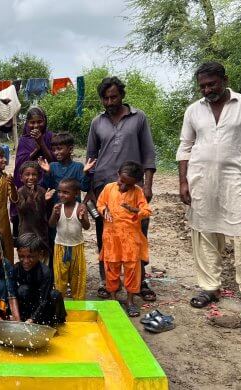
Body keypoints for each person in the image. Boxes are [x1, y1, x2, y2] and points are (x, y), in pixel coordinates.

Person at [177, 61, 241, 319]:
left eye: (212, 84)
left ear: (225, 80)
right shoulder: (193, 110)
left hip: (235, 179)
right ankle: (209, 288)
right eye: (202, 86)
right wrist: (183, 182)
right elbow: (185, 146)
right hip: (200, 179)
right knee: (205, 233)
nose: (207, 90)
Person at [86, 76, 157, 301]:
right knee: (106, 236)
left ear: (122, 95)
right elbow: (90, 158)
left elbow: (148, 153)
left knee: (136, 234)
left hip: (133, 187)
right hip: (104, 187)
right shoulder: (97, 123)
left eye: (113, 97)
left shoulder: (138, 118)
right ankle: (108, 282)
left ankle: (139, 282)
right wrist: (90, 189)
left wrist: (147, 185)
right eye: (105, 98)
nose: (109, 102)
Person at [96, 161, 152, 317]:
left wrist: (135, 210)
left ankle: (130, 301)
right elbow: (100, 204)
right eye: (121, 181)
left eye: (128, 184)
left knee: (132, 269)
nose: (123, 186)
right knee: (111, 268)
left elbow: (147, 211)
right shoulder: (108, 188)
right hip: (111, 238)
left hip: (130, 239)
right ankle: (113, 299)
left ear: (135, 183)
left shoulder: (138, 192)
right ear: (118, 175)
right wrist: (104, 210)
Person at [11, 107, 55, 236]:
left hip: (45, 186)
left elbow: (53, 162)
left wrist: (41, 142)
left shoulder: (51, 137)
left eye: (39, 121)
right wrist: (36, 149)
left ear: (45, 121)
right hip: (27, 186)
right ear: (27, 123)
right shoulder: (24, 140)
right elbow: (20, 165)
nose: (36, 126)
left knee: (44, 221)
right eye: (32, 122)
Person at [11, 233, 67, 325]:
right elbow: (12, 295)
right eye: (21, 256)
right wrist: (14, 315)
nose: (25, 261)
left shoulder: (45, 272)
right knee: (22, 290)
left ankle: (55, 322)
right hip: (27, 306)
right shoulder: (16, 269)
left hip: (43, 308)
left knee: (55, 295)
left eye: (30, 257)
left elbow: (44, 300)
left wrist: (33, 319)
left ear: (40, 255)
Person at [49, 178, 91, 300]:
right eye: (59, 191)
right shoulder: (58, 207)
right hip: (60, 246)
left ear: (76, 194)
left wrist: (82, 218)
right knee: (60, 277)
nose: (61, 195)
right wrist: (54, 214)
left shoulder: (80, 207)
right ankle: (59, 302)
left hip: (76, 247)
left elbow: (87, 227)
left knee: (77, 277)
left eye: (66, 192)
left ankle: (78, 301)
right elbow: (51, 224)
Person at [38, 132, 96, 205]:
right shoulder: (52, 166)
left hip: (74, 207)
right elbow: (49, 185)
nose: (56, 152)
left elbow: (84, 188)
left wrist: (86, 173)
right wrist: (47, 172)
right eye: (54, 150)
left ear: (70, 149)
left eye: (59, 149)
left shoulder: (78, 167)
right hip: (57, 206)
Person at [15, 161, 53, 258]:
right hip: (26, 233)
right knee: (28, 258)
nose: (31, 177)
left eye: (34, 174)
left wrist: (44, 200)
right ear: (21, 177)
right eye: (27, 174)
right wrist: (30, 198)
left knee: (42, 258)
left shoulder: (42, 191)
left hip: (41, 234)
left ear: (39, 177)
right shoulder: (20, 192)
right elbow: (22, 209)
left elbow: (43, 212)